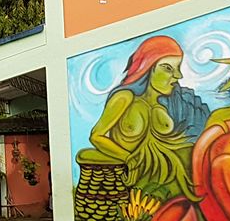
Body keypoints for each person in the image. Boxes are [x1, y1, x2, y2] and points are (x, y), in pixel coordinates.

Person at [84, 35, 199, 201]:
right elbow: (96, 136)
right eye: (168, 68)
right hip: (136, 185)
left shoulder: (161, 106)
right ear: (148, 68)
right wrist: (129, 159)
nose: (178, 75)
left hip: (169, 179)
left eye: (178, 67)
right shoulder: (125, 97)